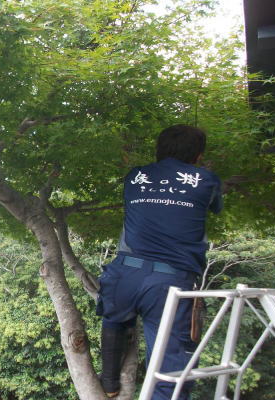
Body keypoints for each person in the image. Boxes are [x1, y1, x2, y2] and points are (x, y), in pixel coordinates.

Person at [96, 124, 223, 399]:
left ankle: (108, 382)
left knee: (114, 317)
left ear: (159, 149)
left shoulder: (135, 176)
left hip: (123, 275)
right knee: (171, 369)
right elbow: (214, 207)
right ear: (199, 155)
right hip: (169, 284)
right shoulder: (207, 180)